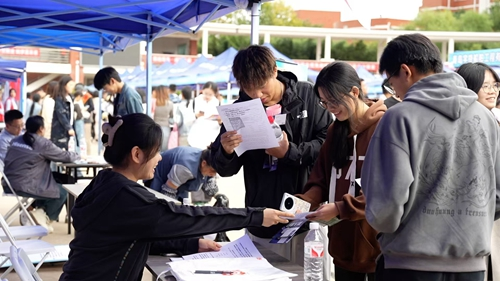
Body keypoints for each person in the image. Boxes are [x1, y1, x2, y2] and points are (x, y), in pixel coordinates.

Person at [59, 113, 293, 281]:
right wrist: (256, 216)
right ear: (137, 154)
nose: (160, 159)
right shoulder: (130, 199)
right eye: (156, 152)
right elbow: (192, 216)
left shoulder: (103, 183)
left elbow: (139, 233)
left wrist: (191, 243)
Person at [361, 33, 500, 281]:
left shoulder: (399, 117)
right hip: (473, 265)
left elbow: (385, 209)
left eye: (392, 83)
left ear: (405, 71)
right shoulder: (487, 118)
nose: (395, 92)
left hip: (409, 263)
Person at [210, 45, 333, 240]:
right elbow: (225, 170)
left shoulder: (307, 95)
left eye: (262, 85)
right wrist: (226, 151)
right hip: (260, 218)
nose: (257, 94)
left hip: (303, 218)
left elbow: (328, 144)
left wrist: (290, 153)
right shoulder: (239, 110)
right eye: (249, 88)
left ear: (275, 70)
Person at [296, 62, 386, 281]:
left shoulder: (385, 126)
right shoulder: (335, 130)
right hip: (341, 247)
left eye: (334, 101)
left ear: (355, 92)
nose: (330, 108)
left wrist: (340, 207)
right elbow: (321, 179)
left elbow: (386, 191)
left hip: (377, 249)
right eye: (324, 102)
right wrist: (302, 204)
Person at [456, 62, 500, 281]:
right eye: (486, 86)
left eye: (495, 85)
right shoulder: (465, 127)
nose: (492, 91)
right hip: (474, 221)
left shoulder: (495, 121)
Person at [4, 116, 79, 232]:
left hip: (9, 184)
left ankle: (38, 211)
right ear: (41, 129)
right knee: (63, 191)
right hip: (26, 184)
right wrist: (79, 155)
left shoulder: (16, 141)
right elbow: (66, 157)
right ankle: (44, 216)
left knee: (58, 180)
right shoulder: (42, 143)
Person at [145, 146, 217, 202]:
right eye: (212, 171)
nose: (213, 174)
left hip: (180, 186)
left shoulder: (207, 159)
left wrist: (218, 196)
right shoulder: (186, 168)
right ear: (204, 163)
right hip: (159, 176)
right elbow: (168, 192)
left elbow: (209, 186)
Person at [189, 82, 222, 149]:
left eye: (210, 94)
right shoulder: (195, 101)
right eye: (206, 93)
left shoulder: (217, 102)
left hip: (212, 134)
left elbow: (220, 121)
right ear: (202, 90)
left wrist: (219, 120)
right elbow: (187, 118)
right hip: (196, 134)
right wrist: (196, 116)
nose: (207, 96)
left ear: (214, 94)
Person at [51, 76, 75, 150]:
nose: (72, 87)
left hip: (68, 128)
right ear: (64, 85)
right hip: (60, 130)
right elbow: (61, 115)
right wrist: (69, 128)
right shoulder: (60, 98)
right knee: (59, 151)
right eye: (70, 85)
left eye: (73, 85)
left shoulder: (70, 97)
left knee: (67, 150)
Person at [75, 83, 94, 155]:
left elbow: (92, 107)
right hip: (79, 120)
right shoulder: (76, 98)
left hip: (86, 120)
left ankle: (88, 154)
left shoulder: (88, 96)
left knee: (87, 139)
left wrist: (85, 110)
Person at [153, 85, 174, 151]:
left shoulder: (153, 103)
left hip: (154, 127)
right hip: (165, 127)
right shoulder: (170, 104)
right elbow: (171, 117)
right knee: (164, 150)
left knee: (155, 149)